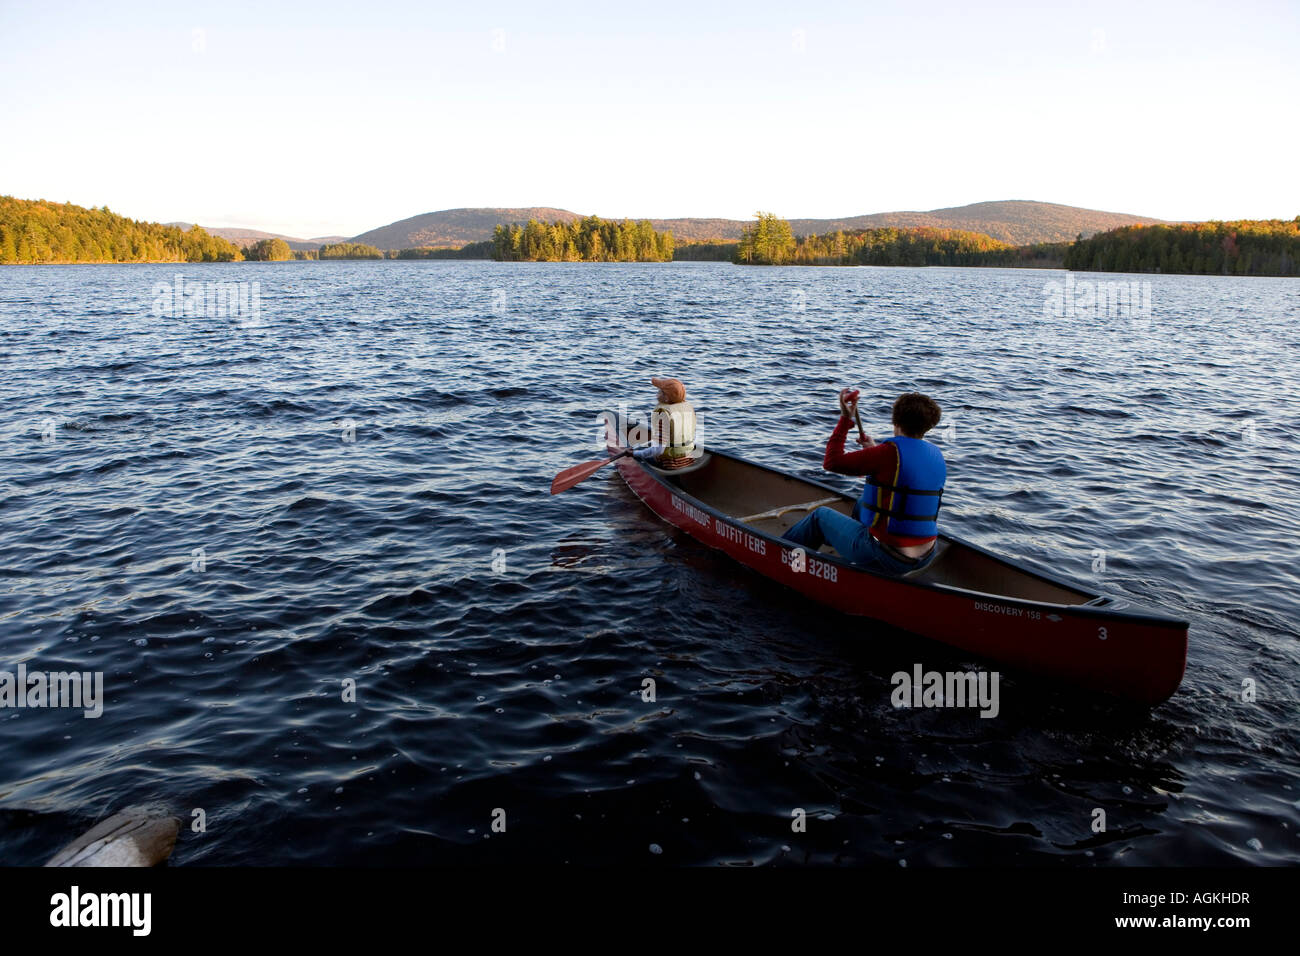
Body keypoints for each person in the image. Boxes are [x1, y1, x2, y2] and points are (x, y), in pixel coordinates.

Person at [784, 390, 946, 575]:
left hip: (888, 557)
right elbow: (902, 477)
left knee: (819, 517)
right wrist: (873, 449)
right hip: (926, 553)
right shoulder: (935, 455)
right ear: (928, 426)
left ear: (895, 421)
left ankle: (780, 558)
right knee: (863, 503)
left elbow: (831, 462)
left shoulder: (886, 453)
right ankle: (847, 546)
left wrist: (845, 419)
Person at [632, 376, 699, 469]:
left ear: (666, 397)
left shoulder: (663, 414)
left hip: (669, 463)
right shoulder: (688, 408)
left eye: (659, 391)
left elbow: (658, 450)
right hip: (689, 458)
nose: (657, 394)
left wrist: (634, 453)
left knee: (638, 456)